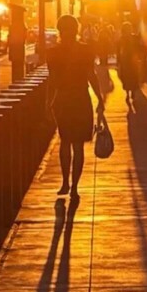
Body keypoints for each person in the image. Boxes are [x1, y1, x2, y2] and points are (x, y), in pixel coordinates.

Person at [46, 15, 104, 201]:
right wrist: (100, 98)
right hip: (80, 98)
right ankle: (75, 186)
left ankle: (65, 182)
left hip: (63, 99)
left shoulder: (53, 52)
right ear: (76, 29)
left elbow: (52, 81)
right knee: (78, 145)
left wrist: (49, 102)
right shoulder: (85, 50)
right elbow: (91, 75)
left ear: (60, 30)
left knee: (65, 141)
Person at [116, 21, 145, 107]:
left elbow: (139, 47)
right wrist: (119, 61)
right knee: (126, 77)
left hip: (133, 61)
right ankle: (128, 93)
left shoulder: (134, 38)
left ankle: (132, 92)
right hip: (126, 61)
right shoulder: (122, 39)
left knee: (133, 77)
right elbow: (118, 51)